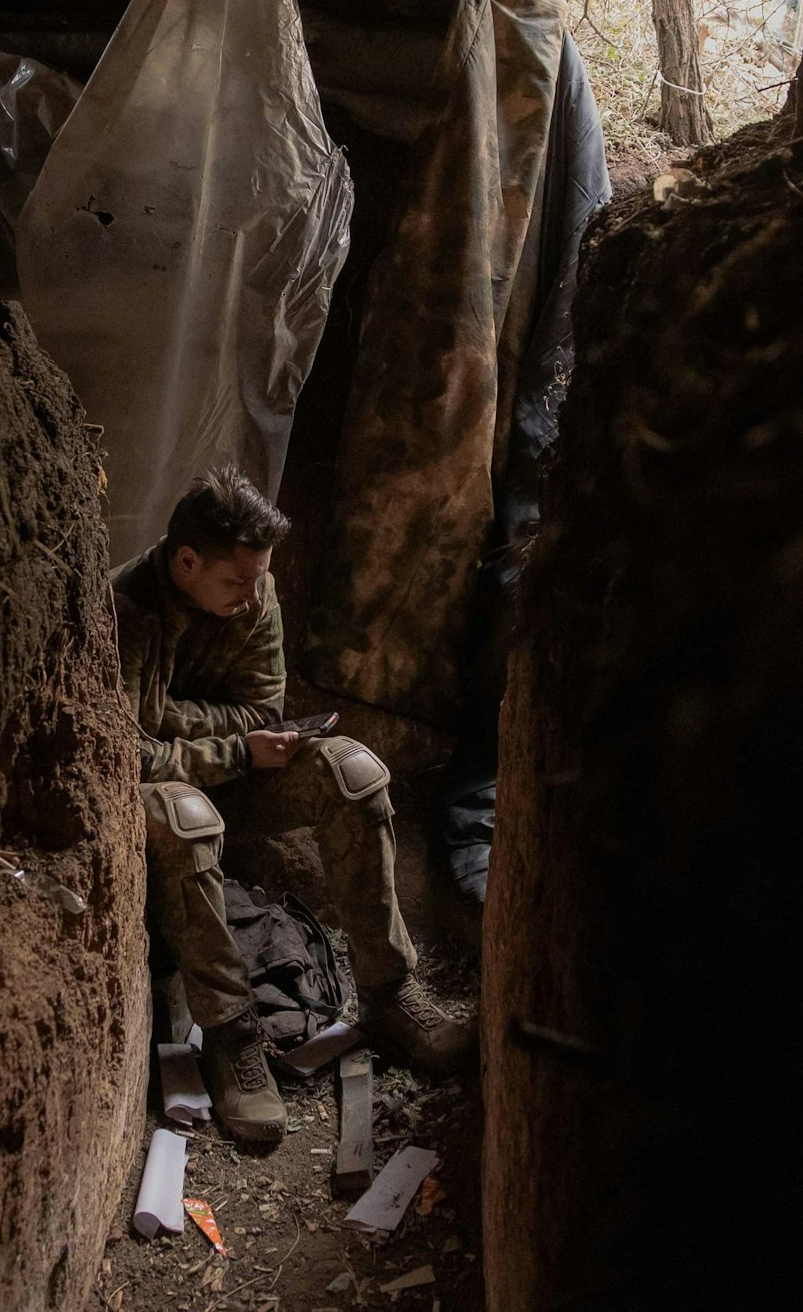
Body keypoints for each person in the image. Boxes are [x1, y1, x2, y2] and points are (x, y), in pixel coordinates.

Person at [113, 466, 474, 1143]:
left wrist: (177, 721)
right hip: (161, 793)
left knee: (352, 772)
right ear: (187, 562)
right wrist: (231, 747)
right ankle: (231, 1035)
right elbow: (125, 752)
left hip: (238, 773)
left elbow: (260, 712)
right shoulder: (124, 610)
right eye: (236, 582)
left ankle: (389, 992)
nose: (253, 597)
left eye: (260, 579)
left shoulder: (255, 593)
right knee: (187, 817)